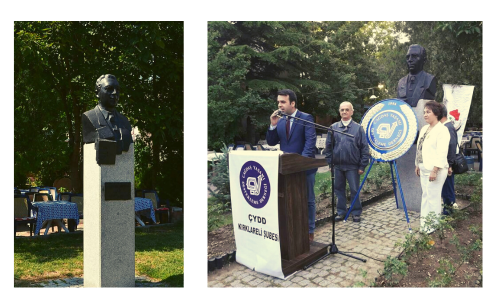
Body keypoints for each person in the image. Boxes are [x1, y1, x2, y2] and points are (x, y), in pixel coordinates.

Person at [266, 89, 317, 242]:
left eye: (283, 102)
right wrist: (273, 125)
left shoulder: (306, 118)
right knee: (289, 200)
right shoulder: (280, 121)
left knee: (308, 200)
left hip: (304, 168)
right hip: (287, 169)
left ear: (292, 103)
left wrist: (300, 163)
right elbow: (271, 142)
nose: (279, 105)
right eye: (278, 102)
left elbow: (310, 143)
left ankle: (309, 230)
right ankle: (293, 230)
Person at [324, 102, 370, 223]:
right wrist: (330, 163)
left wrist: (362, 166)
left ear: (352, 112)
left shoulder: (358, 129)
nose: (344, 112)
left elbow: (364, 149)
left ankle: (356, 213)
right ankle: (341, 212)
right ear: (339, 111)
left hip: (353, 167)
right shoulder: (333, 128)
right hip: (338, 166)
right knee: (339, 190)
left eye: (347, 110)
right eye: (342, 110)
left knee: (355, 190)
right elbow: (328, 148)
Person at [415, 101, 450, 233]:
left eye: (428, 112)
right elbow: (420, 148)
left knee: (433, 197)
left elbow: (442, 152)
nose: (425, 114)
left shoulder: (442, 130)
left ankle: (433, 225)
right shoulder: (424, 129)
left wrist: (435, 170)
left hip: (436, 170)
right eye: (424, 112)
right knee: (425, 196)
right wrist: (417, 164)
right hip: (423, 168)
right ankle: (425, 224)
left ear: (436, 113)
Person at [82, 74, 133, 162]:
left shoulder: (124, 121)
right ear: (97, 93)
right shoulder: (90, 117)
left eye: (117, 90)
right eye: (109, 89)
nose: (114, 93)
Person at [440, 104, 458, 215]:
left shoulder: (448, 127)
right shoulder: (445, 127)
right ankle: (448, 209)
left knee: (448, 188)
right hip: (445, 163)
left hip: (447, 164)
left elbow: (452, 146)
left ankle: (449, 212)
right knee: (446, 187)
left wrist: (450, 165)